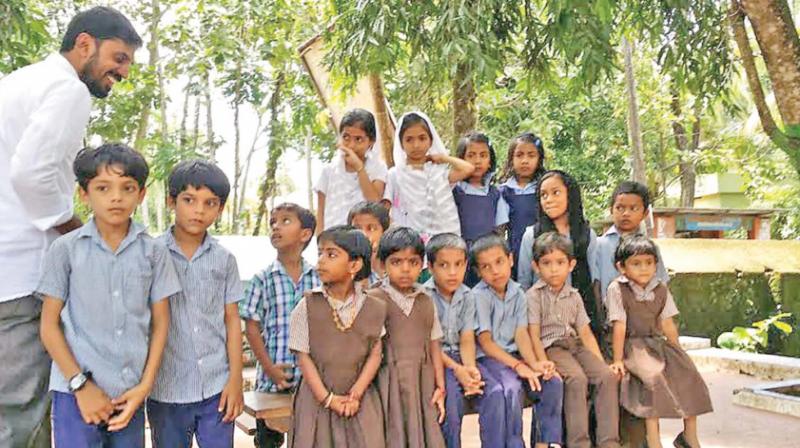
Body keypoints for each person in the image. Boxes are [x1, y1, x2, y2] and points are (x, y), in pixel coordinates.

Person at [0, 7, 141, 446]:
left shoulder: (19, 82)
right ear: (85, 44)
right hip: (21, 273)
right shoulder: (67, 89)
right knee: (20, 414)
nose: (121, 72)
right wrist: (77, 230)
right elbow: (31, 175)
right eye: (117, 58)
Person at [37, 144, 180, 447]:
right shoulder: (65, 250)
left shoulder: (154, 252)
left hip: (128, 395)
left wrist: (144, 387)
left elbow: (161, 323)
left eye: (127, 188)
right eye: (103, 187)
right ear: (84, 194)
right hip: (75, 396)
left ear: (141, 194)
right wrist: (80, 386)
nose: (116, 197)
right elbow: (49, 326)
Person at [147, 160, 244, 447]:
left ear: (221, 208)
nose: (199, 210)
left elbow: (231, 319)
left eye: (210, 203)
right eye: (189, 200)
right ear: (171, 201)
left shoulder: (224, 260)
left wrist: (235, 380)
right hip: (166, 388)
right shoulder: (151, 254)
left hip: (217, 387)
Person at [608, 235, 712, 448]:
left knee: (688, 374)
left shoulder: (661, 289)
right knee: (652, 378)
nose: (643, 269)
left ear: (656, 265)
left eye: (649, 263)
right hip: (632, 345)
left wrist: (678, 350)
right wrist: (618, 360)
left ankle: (689, 436)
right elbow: (619, 326)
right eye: (636, 264)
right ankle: (654, 441)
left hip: (656, 343)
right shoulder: (617, 289)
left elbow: (667, 324)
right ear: (622, 267)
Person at [288, 225, 386, 447]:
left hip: (359, 401)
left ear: (354, 264)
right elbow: (303, 358)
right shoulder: (307, 305)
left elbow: (375, 354)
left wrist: (356, 394)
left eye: (331, 254)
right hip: (316, 401)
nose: (321, 260)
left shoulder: (375, 307)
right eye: (320, 253)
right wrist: (328, 398)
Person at [239, 203, 321, 448]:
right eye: (273, 222)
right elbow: (252, 328)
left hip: (312, 382)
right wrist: (269, 368)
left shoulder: (319, 277)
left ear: (305, 234)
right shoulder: (262, 279)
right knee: (267, 441)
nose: (276, 226)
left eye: (285, 221)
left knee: (310, 438)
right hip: (271, 382)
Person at [527, 232, 620, 448]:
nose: (554, 269)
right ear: (536, 266)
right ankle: (579, 443)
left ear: (571, 265)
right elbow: (533, 333)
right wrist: (543, 363)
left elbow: (585, 333)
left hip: (575, 346)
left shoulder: (574, 295)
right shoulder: (534, 295)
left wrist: (599, 362)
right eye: (546, 263)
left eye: (560, 262)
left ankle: (609, 442)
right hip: (552, 348)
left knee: (606, 377)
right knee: (576, 379)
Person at [471, 233, 563, 448]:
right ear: (478, 272)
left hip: (516, 357)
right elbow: (485, 342)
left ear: (511, 260)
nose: (495, 271)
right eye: (486, 267)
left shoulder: (518, 293)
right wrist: (519, 366)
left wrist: (534, 364)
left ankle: (543, 443)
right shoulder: (478, 296)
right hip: (490, 359)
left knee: (552, 382)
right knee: (511, 389)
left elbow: (522, 334)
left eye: (499, 262)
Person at [368, 227, 447, 448]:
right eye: (396, 262)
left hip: (421, 380)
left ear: (421, 264)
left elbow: (434, 344)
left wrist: (440, 385)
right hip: (387, 381)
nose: (405, 269)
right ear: (383, 264)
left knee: (422, 434)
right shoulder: (374, 299)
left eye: (413, 262)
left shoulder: (426, 299)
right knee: (392, 433)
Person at [422, 233, 496, 448]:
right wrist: (458, 370)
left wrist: (470, 369)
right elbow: (430, 345)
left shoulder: (468, 296)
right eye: (444, 265)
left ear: (466, 265)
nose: (452, 272)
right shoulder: (424, 296)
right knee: (451, 400)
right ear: (431, 267)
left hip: (460, 357)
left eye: (458, 264)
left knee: (492, 390)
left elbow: (466, 339)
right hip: (437, 359)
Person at [518, 170, 601, 339]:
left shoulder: (586, 234)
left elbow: (594, 279)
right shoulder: (532, 235)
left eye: (555, 193)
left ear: (570, 195)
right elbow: (524, 281)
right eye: (543, 195)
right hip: (544, 325)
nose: (548, 200)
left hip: (580, 319)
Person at [382, 111, 474, 242]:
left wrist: (443, 158)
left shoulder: (438, 172)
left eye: (422, 138)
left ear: (431, 141)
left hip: (441, 242)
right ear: (401, 143)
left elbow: (468, 168)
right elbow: (385, 209)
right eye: (409, 140)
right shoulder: (395, 174)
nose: (416, 145)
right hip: (409, 244)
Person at [592, 181, 669, 302]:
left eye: (633, 208)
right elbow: (595, 286)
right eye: (620, 208)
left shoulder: (650, 247)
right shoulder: (599, 245)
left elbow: (661, 285)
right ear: (611, 210)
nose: (626, 213)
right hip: (608, 315)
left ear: (645, 213)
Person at [452, 132, 509, 287]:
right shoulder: (455, 191)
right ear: (461, 159)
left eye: (483, 155)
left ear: (490, 161)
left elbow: (500, 229)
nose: (477, 161)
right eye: (471, 155)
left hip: (487, 257)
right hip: (459, 254)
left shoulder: (494, 194)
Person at [315, 108, 387, 231]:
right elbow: (320, 213)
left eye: (358, 139)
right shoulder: (328, 171)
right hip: (334, 237)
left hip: (363, 239)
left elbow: (375, 202)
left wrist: (360, 168)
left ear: (371, 142)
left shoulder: (378, 168)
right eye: (346, 137)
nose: (351, 145)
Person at [498, 133, 546, 277]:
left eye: (531, 155)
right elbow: (500, 230)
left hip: (544, 249)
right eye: (519, 155)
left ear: (539, 159)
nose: (525, 161)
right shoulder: (504, 191)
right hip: (515, 250)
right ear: (511, 159)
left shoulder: (544, 188)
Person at [347, 201, 390, 285]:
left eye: (371, 229)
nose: (364, 234)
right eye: (357, 229)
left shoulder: (393, 270)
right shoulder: (343, 270)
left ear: (384, 232)